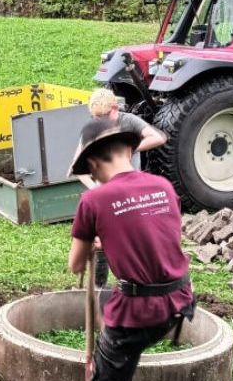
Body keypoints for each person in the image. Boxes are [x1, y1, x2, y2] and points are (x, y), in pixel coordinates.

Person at [67, 117, 195, 381]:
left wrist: (93, 239)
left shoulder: (93, 200)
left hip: (136, 312)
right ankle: (110, 371)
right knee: (114, 354)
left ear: (91, 165)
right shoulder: (162, 187)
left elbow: (75, 265)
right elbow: (158, 233)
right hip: (177, 301)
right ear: (128, 150)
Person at [71, 87, 168, 288]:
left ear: (115, 109)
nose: (100, 122)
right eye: (95, 117)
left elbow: (159, 137)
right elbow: (77, 168)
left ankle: (136, 282)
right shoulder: (93, 129)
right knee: (101, 244)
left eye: (103, 116)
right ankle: (100, 287)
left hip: (132, 194)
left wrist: (130, 149)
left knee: (133, 239)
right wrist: (96, 190)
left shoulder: (128, 121)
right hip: (105, 196)